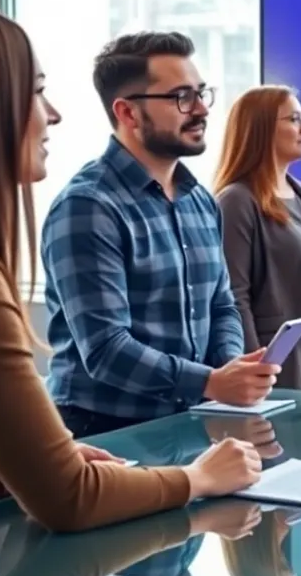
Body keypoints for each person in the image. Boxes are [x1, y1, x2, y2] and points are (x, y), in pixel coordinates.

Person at [0, 6, 264, 532]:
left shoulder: (200, 200)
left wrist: (54, 460)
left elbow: (221, 302)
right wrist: (197, 479)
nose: (52, 113)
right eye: (35, 91)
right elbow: (70, 498)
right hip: (115, 431)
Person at [40, 32, 278, 438]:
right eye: (182, 97)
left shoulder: (200, 200)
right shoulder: (88, 207)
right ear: (128, 113)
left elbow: (221, 305)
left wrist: (231, 369)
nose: (201, 109)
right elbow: (106, 350)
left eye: (201, 93)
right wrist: (210, 382)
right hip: (103, 431)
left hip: (190, 421)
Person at [215, 86, 301, 393]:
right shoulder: (236, 201)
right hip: (275, 360)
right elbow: (234, 296)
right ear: (261, 129)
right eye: (294, 119)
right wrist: (253, 369)